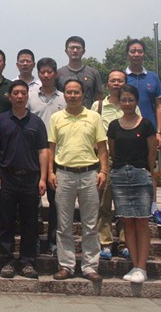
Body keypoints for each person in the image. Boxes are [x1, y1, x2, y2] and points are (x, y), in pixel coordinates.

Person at [48, 79, 108, 283]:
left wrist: (104, 171)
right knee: (63, 224)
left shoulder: (94, 117)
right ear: (64, 94)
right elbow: (51, 148)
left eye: (76, 92)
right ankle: (66, 265)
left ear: (83, 94)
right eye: (69, 92)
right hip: (64, 174)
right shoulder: (56, 117)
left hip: (89, 174)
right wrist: (50, 172)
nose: (72, 96)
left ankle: (90, 266)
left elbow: (102, 146)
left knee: (90, 224)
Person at [0, 80, 48, 279]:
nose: (20, 96)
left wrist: (43, 177)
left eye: (23, 93)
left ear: (27, 95)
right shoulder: (0, 120)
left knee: (30, 223)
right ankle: (6, 261)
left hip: (30, 179)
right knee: (5, 222)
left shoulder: (36, 122)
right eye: (15, 93)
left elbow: (43, 151)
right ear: (10, 96)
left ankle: (27, 262)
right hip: (7, 177)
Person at [107, 84, 157, 283]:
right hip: (120, 176)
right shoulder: (113, 126)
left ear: (136, 102)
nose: (127, 103)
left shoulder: (146, 125)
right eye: (123, 100)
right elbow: (113, 152)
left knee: (142, 221)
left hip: (141, 175)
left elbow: (151, 154)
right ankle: (134, 265)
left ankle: (142, 267)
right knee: (126, 221)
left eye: (131, 100)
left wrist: (152, 177)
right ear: (119, 102)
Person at [125, 38, 161, 227]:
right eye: (133, 51)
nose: (136, 54)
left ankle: (153, 209)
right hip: (126, 130)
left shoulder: (152, 77)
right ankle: (124, 210)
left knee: (150, 171)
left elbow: (159, 106)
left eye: (139, 51)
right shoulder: (122, 77)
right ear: (127, 54)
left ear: (144, 54)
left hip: (148, 132)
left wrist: (159, 132)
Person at [93, 70, 137, 260]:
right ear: (107, 84)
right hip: (105, 160)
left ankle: (125, 242)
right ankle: (105, 243)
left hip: (127, 160)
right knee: (103, 204)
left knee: (125, 204)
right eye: (113, 80)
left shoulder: (131, 105)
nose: (116, 83)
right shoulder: (98, 106)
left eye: (120, 80)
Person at [27, 57, 66, 256]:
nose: (46, 75)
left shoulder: (64, 98)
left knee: (56, 202)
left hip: (58, 156)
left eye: (50, 71)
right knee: (32, 202)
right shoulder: (30, 97)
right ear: (38, 74)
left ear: (55, 74)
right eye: (42, 72)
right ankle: (32, 241)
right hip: (33, 156)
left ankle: (53, 241)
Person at [55, 36, 103, 108]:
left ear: (83, 51)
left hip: (88, 113)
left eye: (78, 48)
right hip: (64, 113)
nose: (75, 50)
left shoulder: (93, 73)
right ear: (66, 51)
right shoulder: (59, 73)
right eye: (72, 48)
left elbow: (98, 98)